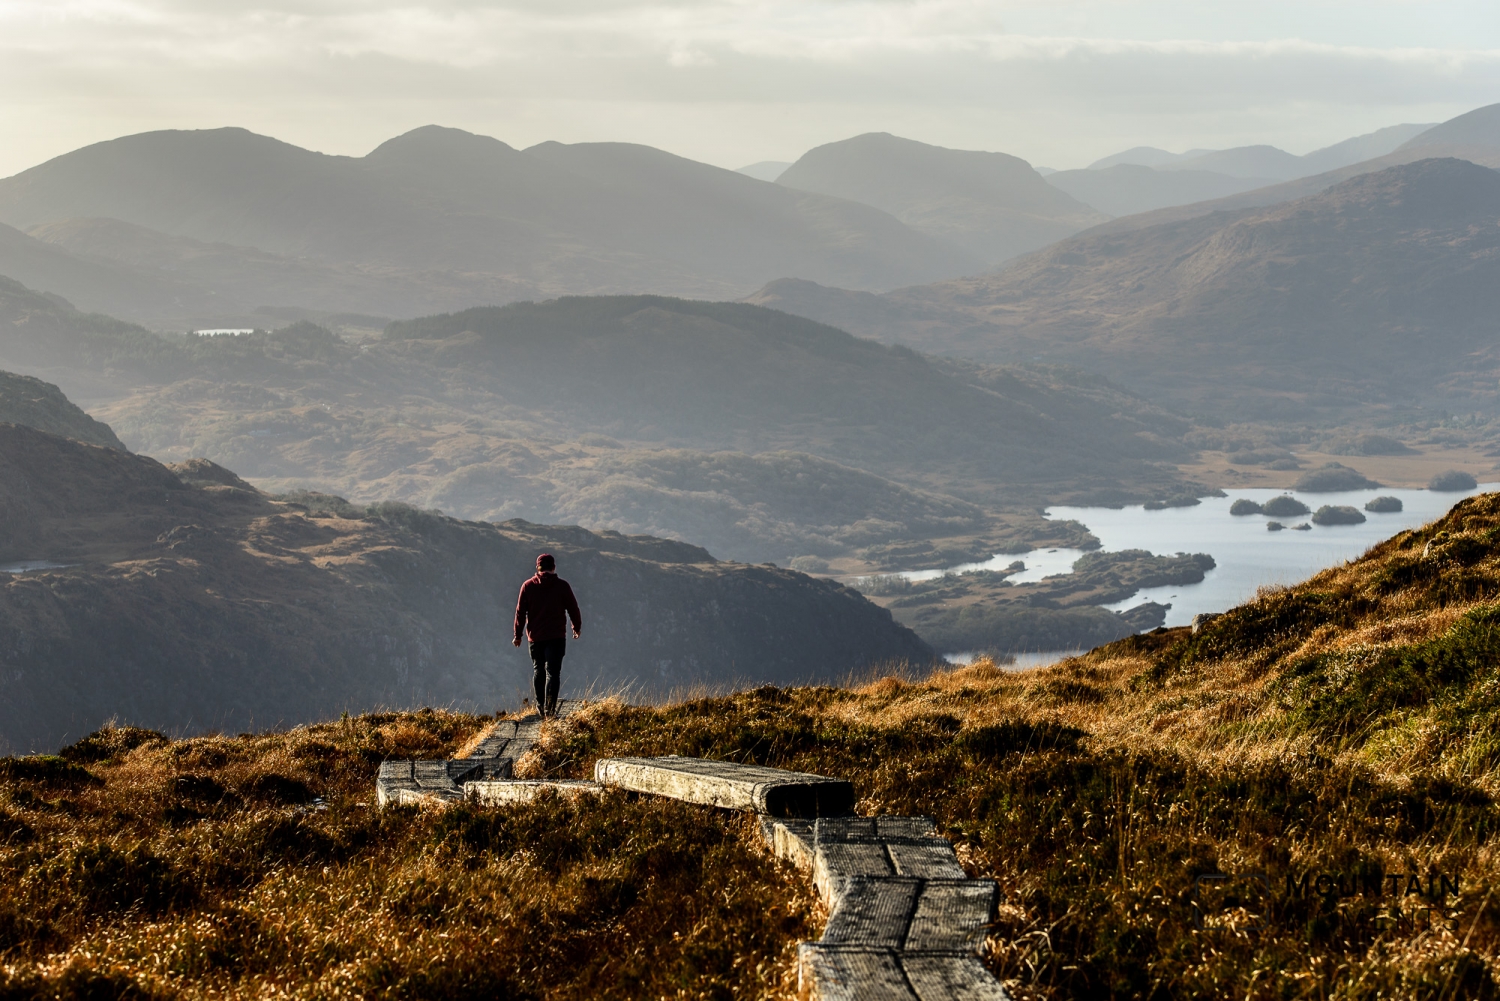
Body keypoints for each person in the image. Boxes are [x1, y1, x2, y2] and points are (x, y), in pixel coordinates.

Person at [512, 553, 582, 719]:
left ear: (538, 567)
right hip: (556, 637)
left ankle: (540, 705)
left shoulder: (527, 586)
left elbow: (520, 613)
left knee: (539, 670)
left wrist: (518, 635)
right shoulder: (562, 586)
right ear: (553, 568)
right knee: (553, 673)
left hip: (535, 638)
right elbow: (574, 608)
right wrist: (576, 627)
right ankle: (550, 709)